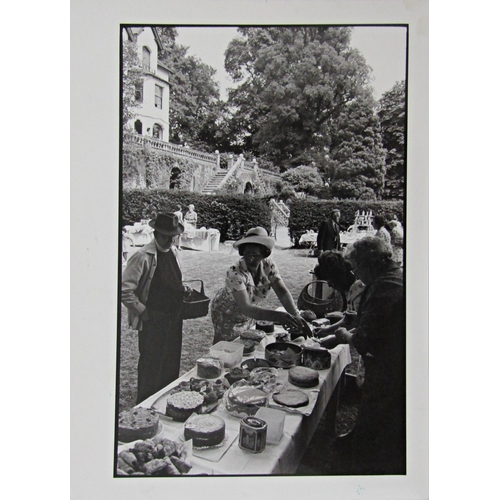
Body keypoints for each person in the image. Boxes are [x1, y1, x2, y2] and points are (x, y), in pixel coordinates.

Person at [317, 237, 405, 475]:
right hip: (392, 361)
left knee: (377, 420)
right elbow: (375, 326)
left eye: (357, 267)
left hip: (389, 369)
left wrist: (344, 334)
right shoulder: (391, 277)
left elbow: (364, 340)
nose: (356, 273)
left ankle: (364, 467)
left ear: (369, 264)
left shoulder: (384, 288)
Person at [121, 213, 186, 404]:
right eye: (166, 235)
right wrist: (143, 311)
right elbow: (125, 290)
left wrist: (183, 289)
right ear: (156, 233)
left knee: (171, 363)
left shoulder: (174, 252)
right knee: (152, 366)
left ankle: (166, 404)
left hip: (174, 319)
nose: (170, 240)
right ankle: (145, 405)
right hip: (153, 320)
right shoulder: (142, 256)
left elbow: (174, 281)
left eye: (173, 236)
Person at [210, 227, 303, 344]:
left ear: (264, 254)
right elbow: (246, 308)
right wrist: (279, 317)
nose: (250, 257)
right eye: (247, 253)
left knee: (248, 343)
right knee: (227, 346)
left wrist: (295, 315)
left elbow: (282, 292)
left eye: (255, 254)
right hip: (226, 311)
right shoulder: (235, 272)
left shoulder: (268, 265)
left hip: (251, 312)